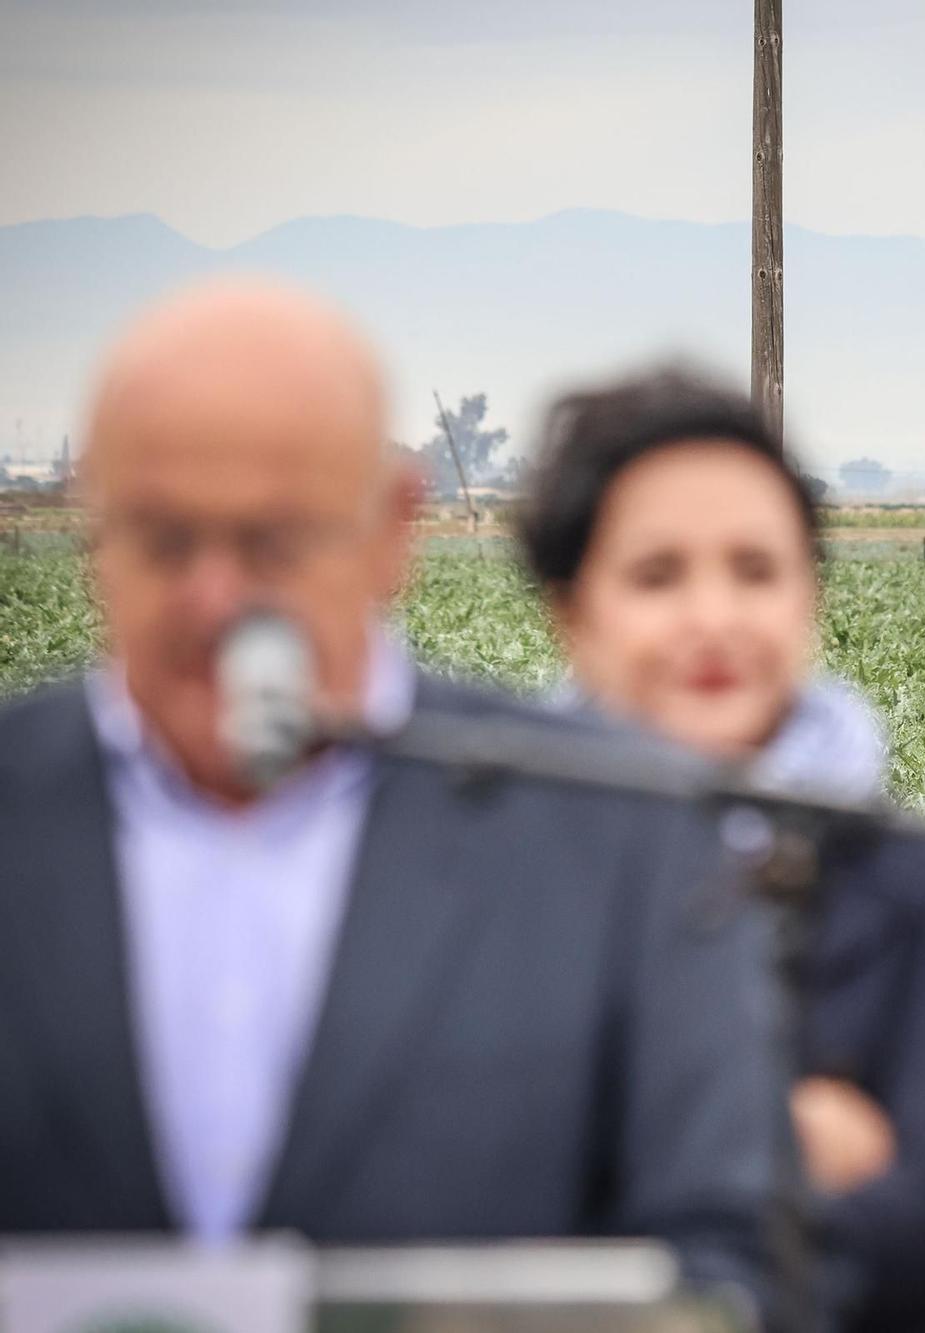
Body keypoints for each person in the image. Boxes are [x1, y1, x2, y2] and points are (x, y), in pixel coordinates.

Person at [0, 282, 790, 1320]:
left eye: (273, 542)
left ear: (390, 532)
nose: (215, 598)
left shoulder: (620, 829)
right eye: (165, 540)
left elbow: (732, 1259)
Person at [519, 365, 925, 1332]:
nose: (712, 619)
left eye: (756, 570)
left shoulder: (914, 876)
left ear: (811, 593)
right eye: (656, 574)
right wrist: (786, 1138)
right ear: (570, 608)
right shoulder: (491, 864)